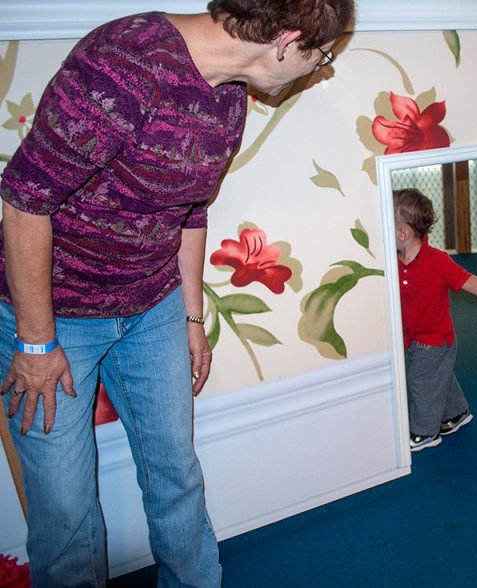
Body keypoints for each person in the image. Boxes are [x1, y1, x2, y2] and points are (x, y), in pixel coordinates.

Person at [0, 0, 354, 585]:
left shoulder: (229, 95)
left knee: (176, 474)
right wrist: (37, 345)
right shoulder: (122, 61)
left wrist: (192, 318)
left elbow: (189, 210)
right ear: (287, 41)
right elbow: (24, 199)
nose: (320, 68)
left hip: (153, 305)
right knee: (65, 513)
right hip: (54, 317)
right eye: (321, 55)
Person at [394, 188, 477, 452]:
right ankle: (456, 414)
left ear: (403, 233)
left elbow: (465, 280)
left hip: (434, 339)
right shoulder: (393, 261)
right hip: (415, 336)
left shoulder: (437, 261)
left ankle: (425, 432)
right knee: (439, 375)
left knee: (422, 382)